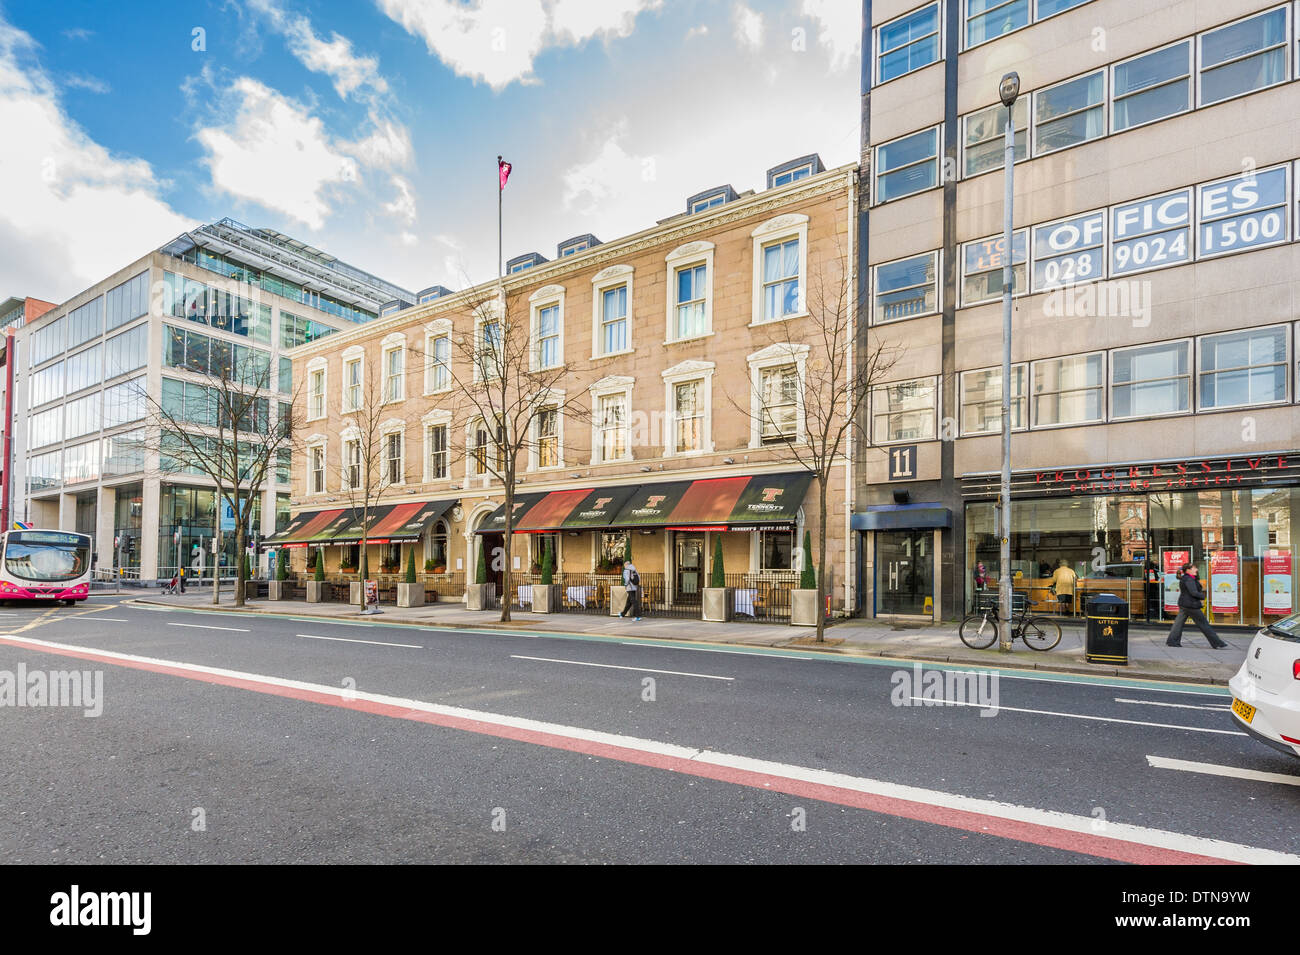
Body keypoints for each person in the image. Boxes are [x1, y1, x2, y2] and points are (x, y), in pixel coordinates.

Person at [1167, 562, 1227, 649]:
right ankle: (1217, 642)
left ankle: (1172, 641)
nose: (1197, 569)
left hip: (1185, 604)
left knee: (1178, 624)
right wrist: (1203, 596)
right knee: (1204, 624)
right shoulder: (1189, 579)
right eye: (1194, 568)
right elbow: (1193, 592)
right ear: (1188, 570)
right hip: (1191, 605)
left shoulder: (1187, 578)